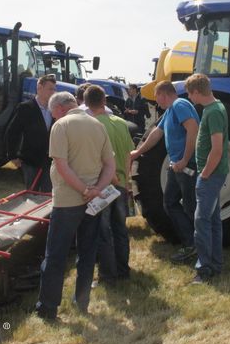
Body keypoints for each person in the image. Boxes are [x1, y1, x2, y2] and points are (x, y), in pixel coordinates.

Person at [35, 91, 116, 321]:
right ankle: (82, 302)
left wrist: (83, 190)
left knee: (56, 255)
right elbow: (110, 165)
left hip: (67, 202)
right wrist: (96, 189)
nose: (53, 118)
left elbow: (62, 166)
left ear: (59, 109)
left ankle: (48, 307)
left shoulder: (61, 126)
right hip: (93, 202)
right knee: (87, 252)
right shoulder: (98, 125)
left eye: (52, 114)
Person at [130, 81, 199, 264]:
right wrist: (138, 152)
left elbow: (193, 129)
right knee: (170, 203)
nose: (155, 100)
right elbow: (156, 134)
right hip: (176, 166)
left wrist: (185, 159)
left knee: (191, 207)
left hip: (186, 165)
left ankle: (197, 246)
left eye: (156, 95)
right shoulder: (169, 111)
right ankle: (191, 242)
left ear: (163, 93)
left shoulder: (180, 105)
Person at [85, 85, 134, 285]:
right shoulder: (121, 123)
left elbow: (99, 159)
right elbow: (128, 155)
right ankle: (123, 269)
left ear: (86, 104)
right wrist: (126, 180)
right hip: (121, 183)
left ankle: (107, 274)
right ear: (104, 101)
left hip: (104, 185)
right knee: (120, 229)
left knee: (103, 231)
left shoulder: (93, 125)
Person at [185, 73, 228, 285]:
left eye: (190, 94)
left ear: (196, 92)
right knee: (213, 221)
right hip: (213, 174)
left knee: (201, 221)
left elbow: (217, 150)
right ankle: (215, 265)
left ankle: (204, 269)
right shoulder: (214, 109)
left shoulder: (213, 113)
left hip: (210, 175)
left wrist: (205, 174)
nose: (190, 98)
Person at [6, 75, 57, 192]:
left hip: (50, 160)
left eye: (54, 89)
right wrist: (13, 155)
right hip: (31, 160)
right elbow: (13, 132)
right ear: (39, 87)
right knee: (31, 193)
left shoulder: (55, 110)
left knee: (47, 194)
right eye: (50, 89)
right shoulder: (26, 108)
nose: (53, 92)